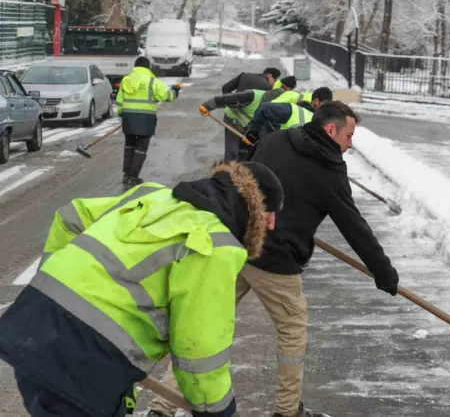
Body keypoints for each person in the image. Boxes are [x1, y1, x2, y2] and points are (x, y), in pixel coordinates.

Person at [148, 101, 399, 417]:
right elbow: (354, 227)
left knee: (204, 324)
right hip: (276, 262)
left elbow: (243, 182)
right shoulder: (330, 171)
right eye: (349, 136)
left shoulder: (275, 140)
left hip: (234, 247)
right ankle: (287, 410)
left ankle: (162, 406)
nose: (350, 145)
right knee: (292, 332)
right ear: (330, 129)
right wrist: (384, 273)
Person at [0, 160, 285, 417]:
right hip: (82, 362)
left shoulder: (150, 195)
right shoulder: (216, 246)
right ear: (255, 210)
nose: (272, 225)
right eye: (271, 214)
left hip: (32, 329)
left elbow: (71, 216)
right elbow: (199, 346)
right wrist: (216, 409)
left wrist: (53, 289)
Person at [116, 57, 182, 185]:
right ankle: (133, 175)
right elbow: (166, 96)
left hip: (129, 118)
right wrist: (175, 89)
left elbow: (119, 101)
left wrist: (122, 116)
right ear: (148, 67)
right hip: (145, 119)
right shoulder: (153, 81)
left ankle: (126, 174)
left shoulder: (126, 80)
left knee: (129, 145)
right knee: (141, 147)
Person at [199, 76, 298, 161]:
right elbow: (227, 99)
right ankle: (227, 174)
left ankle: (242, 172)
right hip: (234, 120)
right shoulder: (252, 96)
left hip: (249, 124)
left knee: (248, 151)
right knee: (232, 151)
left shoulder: (275, 108)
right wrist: (207, 105)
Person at [244, 87, 333, 143]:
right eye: (325, 104)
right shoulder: (295, 109)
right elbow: (265, 109)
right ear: (316, 102)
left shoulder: (322, 123)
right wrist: (254, 134)